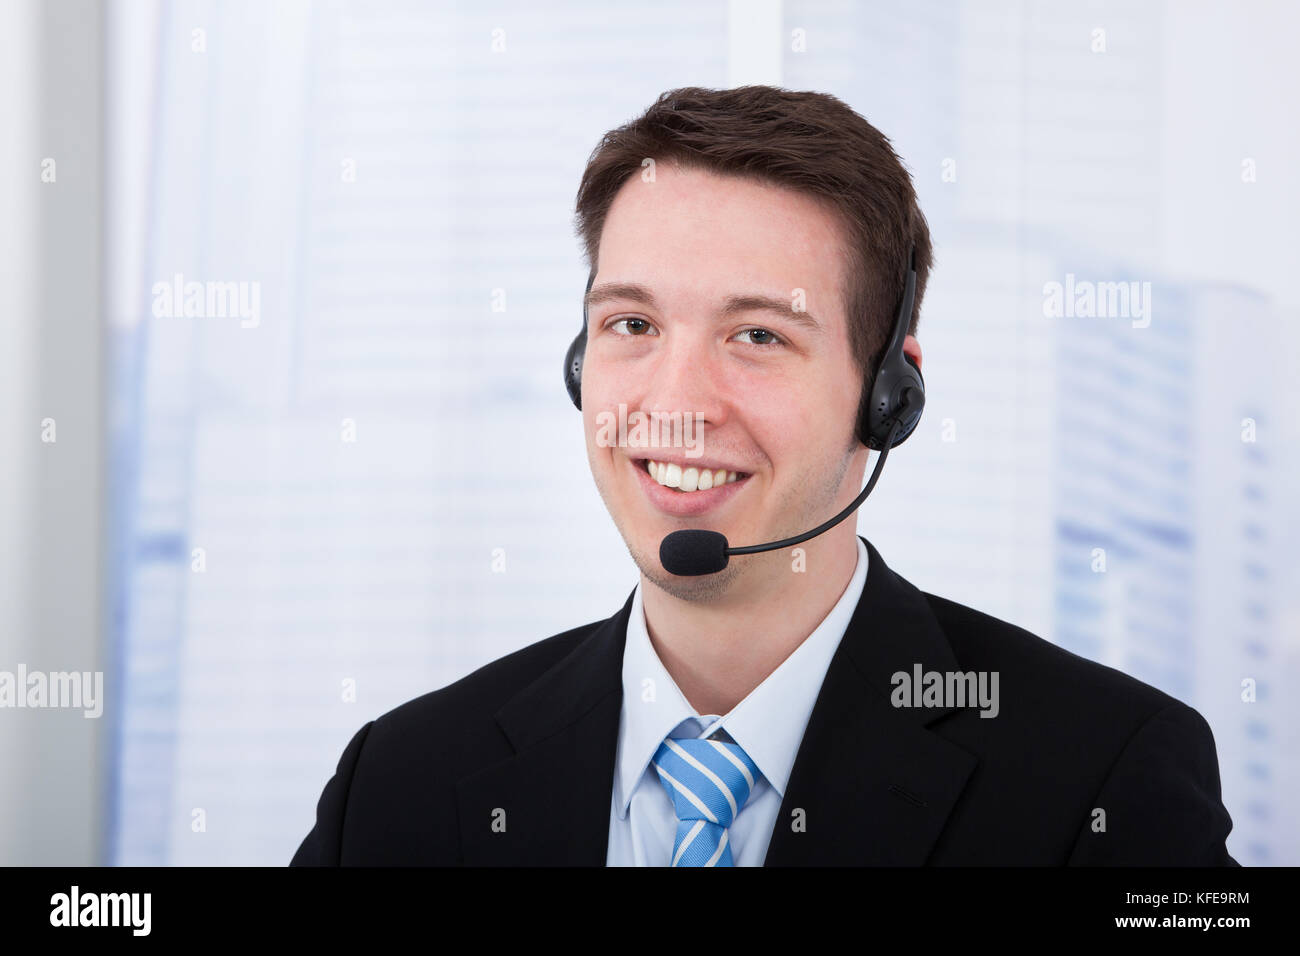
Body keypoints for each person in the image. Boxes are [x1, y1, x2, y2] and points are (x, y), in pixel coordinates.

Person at [291, 86, 1237, 866]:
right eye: (633, 325)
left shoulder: (1103, 776)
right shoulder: (401, 782)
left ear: (887, 393)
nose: (676, 402)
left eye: (757, 336)